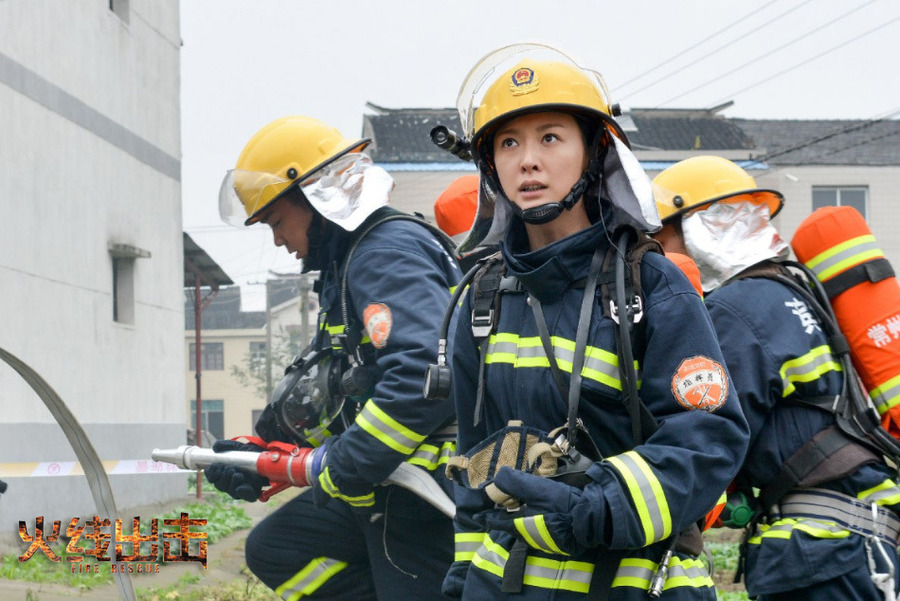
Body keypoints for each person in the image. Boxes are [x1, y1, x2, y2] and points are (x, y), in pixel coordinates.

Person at [440, 43, 749, 600]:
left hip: (631, 584)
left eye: (550, 137)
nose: (527, 160)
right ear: (491, 166)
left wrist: (597, 507)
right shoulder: (482, 300)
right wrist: (463, 579)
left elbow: (709, 438)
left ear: (594, 152)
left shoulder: (651, 287)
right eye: (509, 143)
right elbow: (473, 464)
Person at [210, 115, 462, 600]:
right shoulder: (350, 264)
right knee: (277, 548)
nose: (279, 241)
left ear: (317, 197)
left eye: (277, 221)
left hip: (425, 494)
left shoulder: (385, 252)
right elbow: (336, 381)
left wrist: (338, 464)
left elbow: (423, 378)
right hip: (386, 478)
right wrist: (260, 448)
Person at [652, 155, 900, 601]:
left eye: (661, 236)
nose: (656, 253)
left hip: (821, 553)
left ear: (702, 230)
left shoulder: (734, 311)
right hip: (851, 541)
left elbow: (707, 439)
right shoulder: (787, 292)